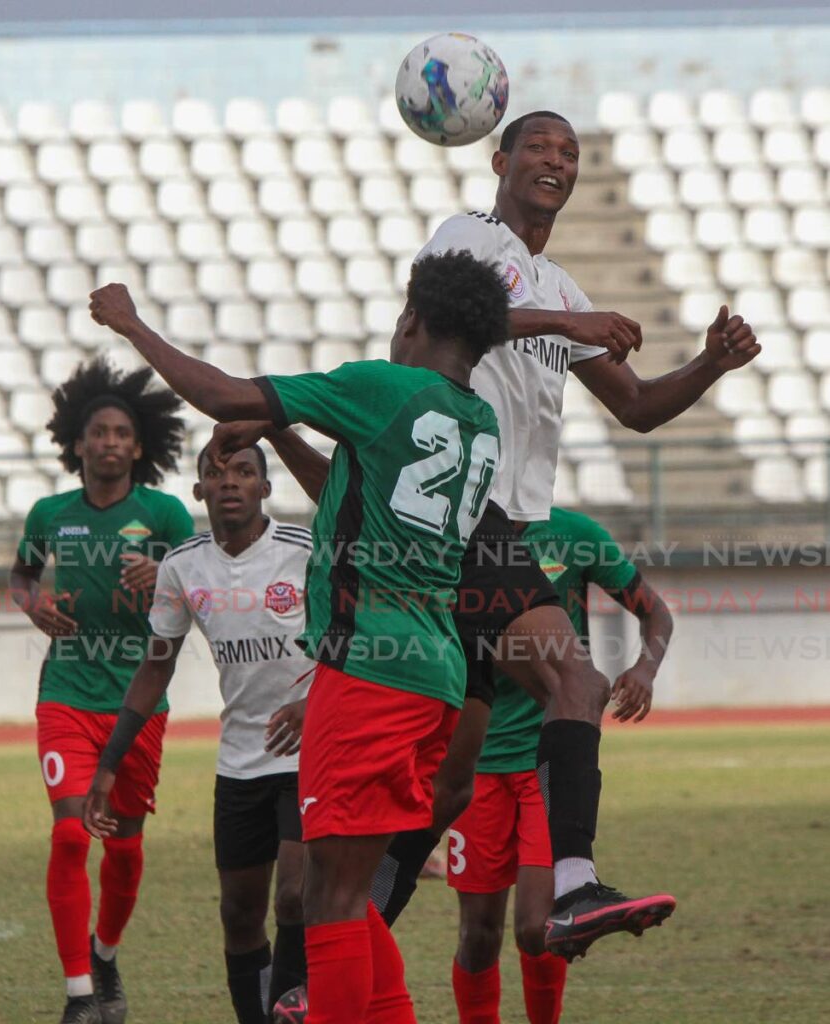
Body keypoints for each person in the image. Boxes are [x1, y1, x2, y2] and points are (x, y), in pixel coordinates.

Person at [366, 109, 760, 960]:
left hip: (500, 524)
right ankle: (574, 888)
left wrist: (710, 364)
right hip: (456, 516)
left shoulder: (562, 286)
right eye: (539, 146)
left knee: (445, 785)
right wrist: (561, 326)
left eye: (570, 153)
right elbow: (433, 327)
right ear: (499, 158)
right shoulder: (466, 235)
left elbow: (639, 408)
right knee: (574, 684)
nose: (556, 160)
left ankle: (325, 956)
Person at [87, 249, 511, 1024]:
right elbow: (357, 493)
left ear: (410, 319)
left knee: (331, 899)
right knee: (344, 888)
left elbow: (220, 395)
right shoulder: (479, 420)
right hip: (434, 675)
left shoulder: (384, 387)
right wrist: (283, 430)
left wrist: (130, 325)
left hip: (367, 673)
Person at [83, 439, 314, 1023]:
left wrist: (316, 704)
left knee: (294, 896)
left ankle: (293, 1012)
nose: (230, 481)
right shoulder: (184, 566)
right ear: (200, 491)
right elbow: (157, 663)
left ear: (265, 487)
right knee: (239, 914)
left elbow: (356, 639)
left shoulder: (305, 551)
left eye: (243, 472)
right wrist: (110, 761)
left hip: (310, 754)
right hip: (239, 761)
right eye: (216, 473)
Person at [9, 357, 194, 1024]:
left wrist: (166, 573)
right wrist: (31, 605)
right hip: (65, 692)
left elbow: (201, 587)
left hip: (138, 705)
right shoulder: (49, 513)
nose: (110, 442)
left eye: (121, 433)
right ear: (78, 444)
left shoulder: (166, 514)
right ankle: (80, 994)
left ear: (139, 446)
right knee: (68, 839)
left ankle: (106, 953)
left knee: (124, 848)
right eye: (99, 433)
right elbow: (22, 576)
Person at [447, 506, 673, 1023]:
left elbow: (656, 612)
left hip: (543, 762)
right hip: (474, 762)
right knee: (477, 936)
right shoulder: (450, 529)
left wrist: (645, 667)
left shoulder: (573, 534)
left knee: (535, 928)